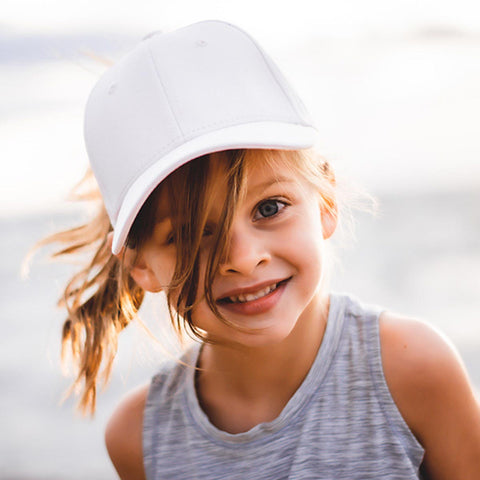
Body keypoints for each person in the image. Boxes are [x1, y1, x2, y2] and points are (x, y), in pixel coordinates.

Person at [43, 20, 480, 479]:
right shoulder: (140, 439)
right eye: (191, 234)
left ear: (325, 201)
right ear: (140, 265)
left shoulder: (411, 371)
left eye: (269, 207)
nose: (243, 257)